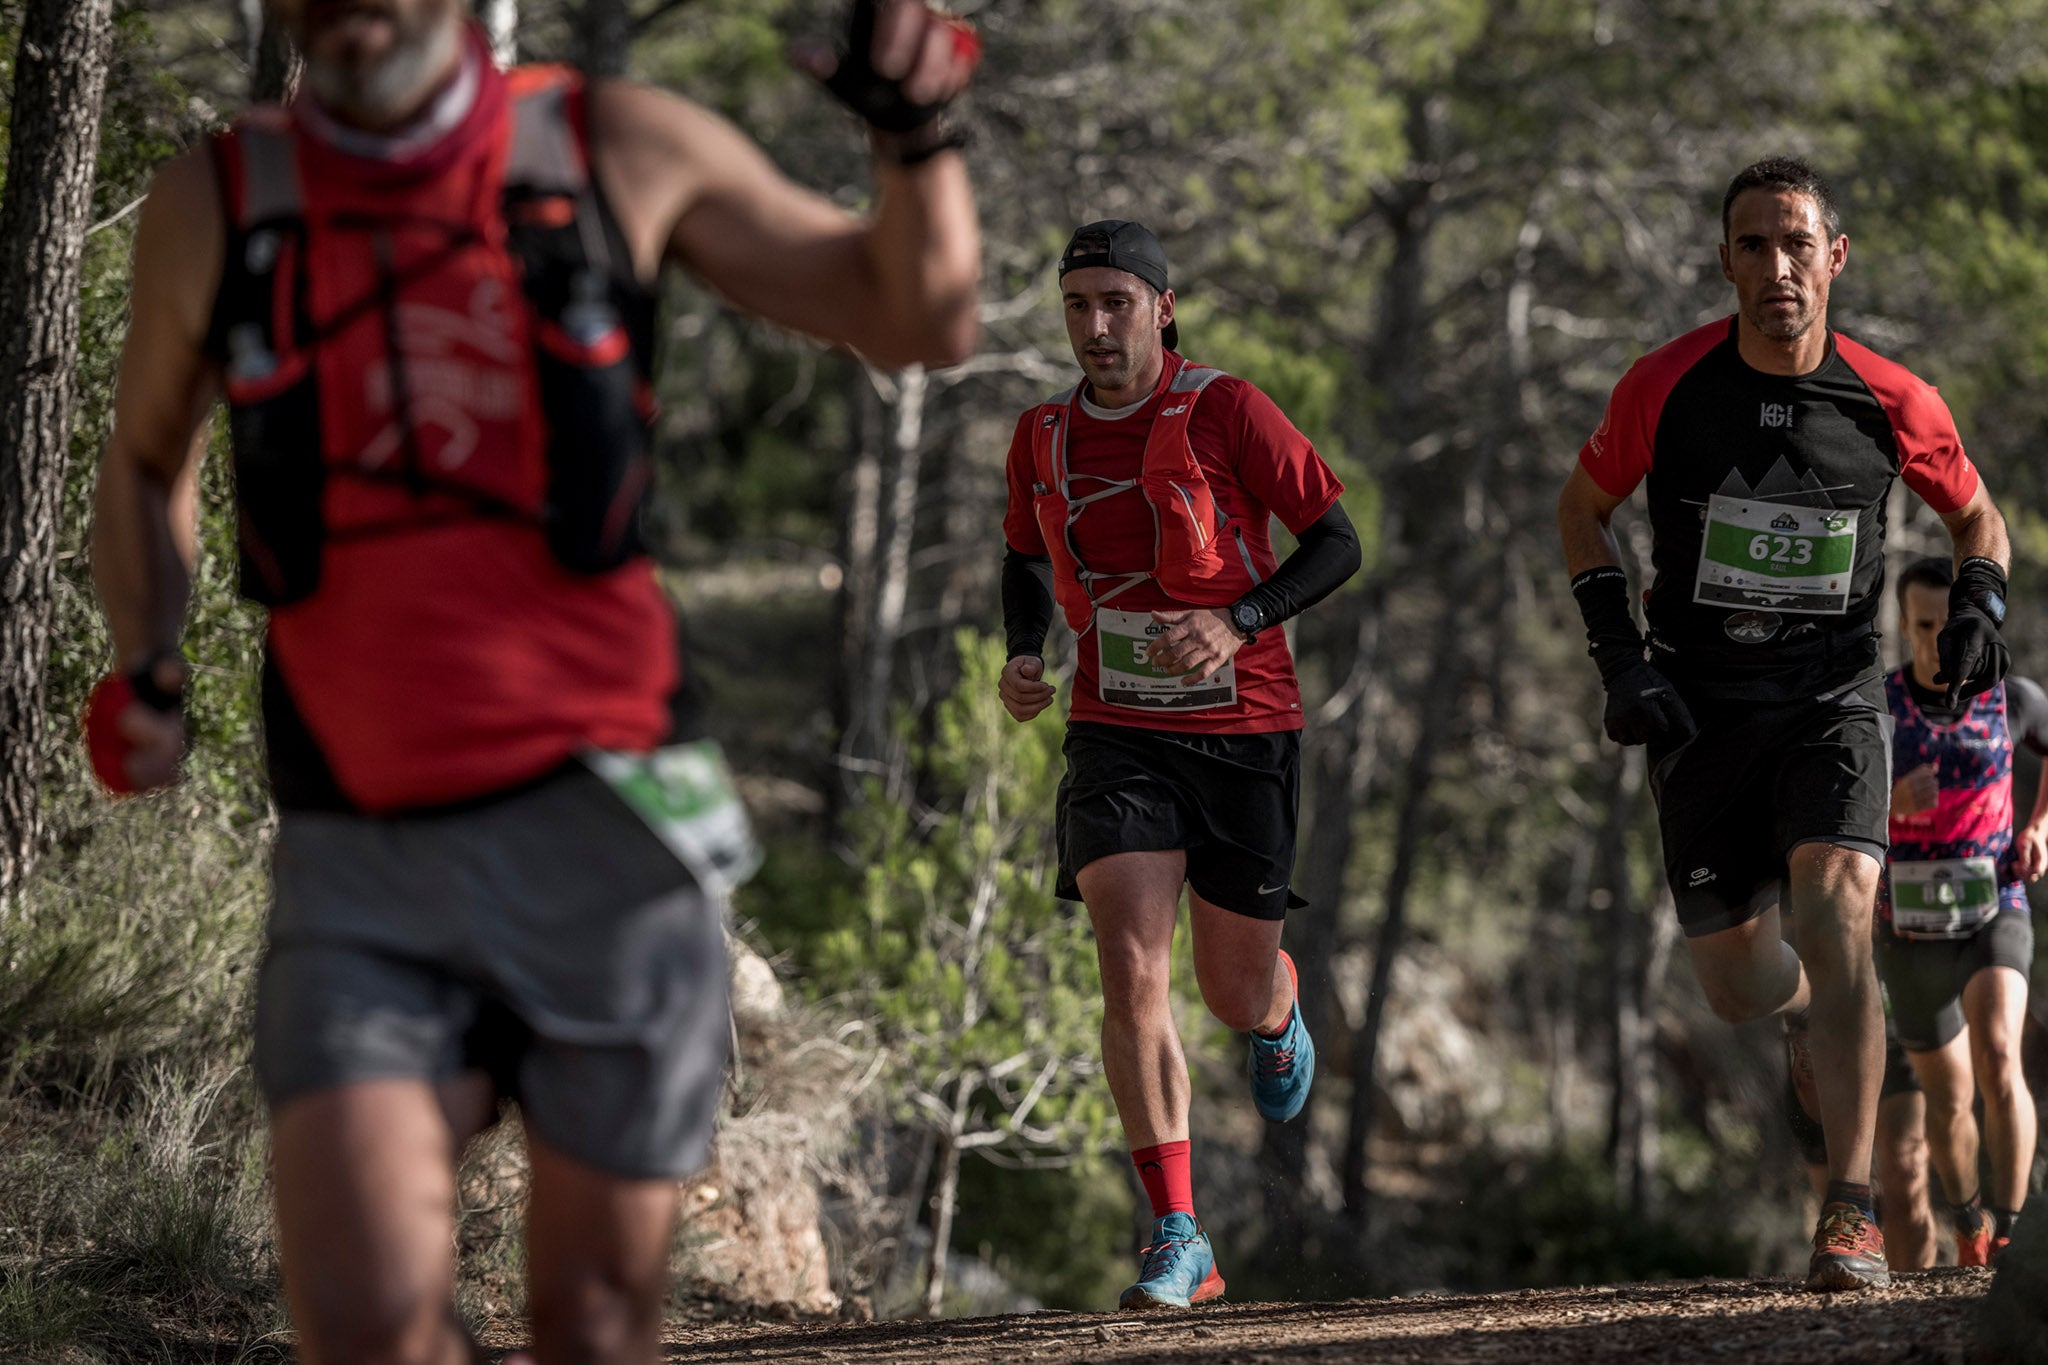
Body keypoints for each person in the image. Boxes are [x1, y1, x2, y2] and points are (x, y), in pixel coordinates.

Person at [84, 2, 980, 1361]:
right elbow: (149, 462)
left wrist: (913, 133)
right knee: (368, 1322)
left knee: (591, 1321)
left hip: (611, 830)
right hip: (358, 845)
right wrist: (146, 655)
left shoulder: (609, 146)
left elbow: (915, 315)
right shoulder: (224, 198)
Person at [1556, 156, 2012, 1292]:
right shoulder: (1664, 387)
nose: (1775, 267)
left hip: (1830, 699)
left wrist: (1978, 610)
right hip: (1699, 710)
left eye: (1795, 243)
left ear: (1833, 257)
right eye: (1752, 246)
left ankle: (1845, 1211)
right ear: (1724, 262)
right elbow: (1581, 510)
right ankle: (1813, 999)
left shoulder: (1890, 400)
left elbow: (1977, 518)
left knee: (1839, 906)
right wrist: (1616, 655)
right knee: (1737, 987)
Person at [997, 220, 1359, 1309]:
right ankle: (1175, 1231)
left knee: (1225, 986)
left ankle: (1272, 1007)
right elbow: (1021, 555)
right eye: (1076, 306)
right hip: (1114, 729)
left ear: (1161, 305)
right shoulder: (1041, 434)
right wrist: (1025, 654)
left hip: (1241, 730)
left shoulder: (1227, 410)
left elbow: (1336, 541)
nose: (1094, 327)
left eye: (1115, 302)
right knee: (1129, 963)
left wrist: (1240, 617)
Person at [1877, 555, 2047, 1265]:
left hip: (1992, 904)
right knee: (1947, 1098)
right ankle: (1970, 1216)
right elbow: (1825, 801)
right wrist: (1887, 802)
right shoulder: (1877, 706)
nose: (1937, 641)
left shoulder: (2013, 699)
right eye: (1922, 626)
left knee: (2001, 1054)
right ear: (1903, 624)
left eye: (1949, 625)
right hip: (1907, 925)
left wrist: (2039, 827)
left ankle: (2011, 1228)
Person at [1785, 1007, 1939, 1269]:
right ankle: (1861, 1290)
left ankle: (1907, 1301)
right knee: (1836, 1200)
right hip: (1817, 1033)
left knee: (1906, 1172)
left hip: (1894, 1024)